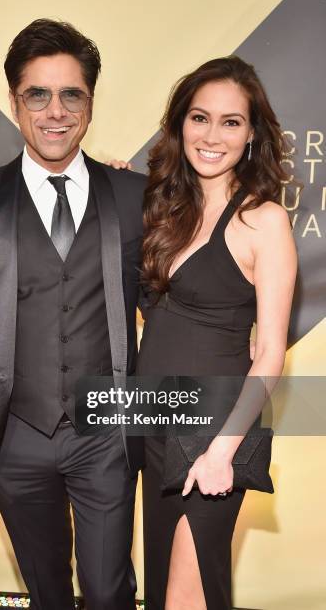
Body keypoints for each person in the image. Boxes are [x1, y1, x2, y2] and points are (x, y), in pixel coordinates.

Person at [0, 19, 146, 610]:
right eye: (38, 94)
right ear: (14, 101)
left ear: (90, 102)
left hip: (106, 435)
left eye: (71, 93)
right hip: (13, 438)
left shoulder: (134, 198)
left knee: (108, 593)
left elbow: (169, 305)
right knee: (48, 591)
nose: (56, 111)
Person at [136, 56, 297, 609]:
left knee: (190, 591)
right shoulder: (165, 206)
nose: (212, 135)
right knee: (162, 588)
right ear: (181, 124)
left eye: (231, 122)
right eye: (200, 118)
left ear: (252, 134)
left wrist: (222, 452)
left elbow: (271, 352)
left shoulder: (264, 221)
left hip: (210, 433)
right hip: (154, 418)